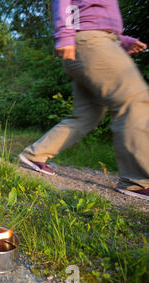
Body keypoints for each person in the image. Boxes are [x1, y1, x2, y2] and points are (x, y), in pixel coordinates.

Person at [18, 0, 149, 201]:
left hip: (91, 41)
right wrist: (64, 34)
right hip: (90, 42)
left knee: (87, 113)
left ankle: (35, 155)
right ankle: (138, 180)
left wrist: (121, 41)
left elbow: (92, 14)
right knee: (134, 99)